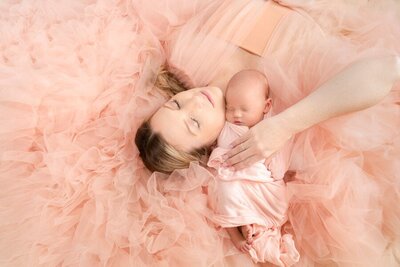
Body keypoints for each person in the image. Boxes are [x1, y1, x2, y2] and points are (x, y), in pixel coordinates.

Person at [135, 0, 400, 265]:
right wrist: (284, 125)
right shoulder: (272, 112)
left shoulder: (188, 53)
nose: (194, 102)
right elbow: (388, 69)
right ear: (207, 148)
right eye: (194, 123)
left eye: (176, 103)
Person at [207, 69, 300, 266]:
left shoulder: (271, 128)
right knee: (225, 192)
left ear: (266, 106)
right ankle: (235, 230)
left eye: (244, 108)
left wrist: (277, 171)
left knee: (278, 198)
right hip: (231, 175)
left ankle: (254, 225)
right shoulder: (227, 126)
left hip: (261, 180)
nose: (235, 114)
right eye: (230, 108)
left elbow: (279, 162)